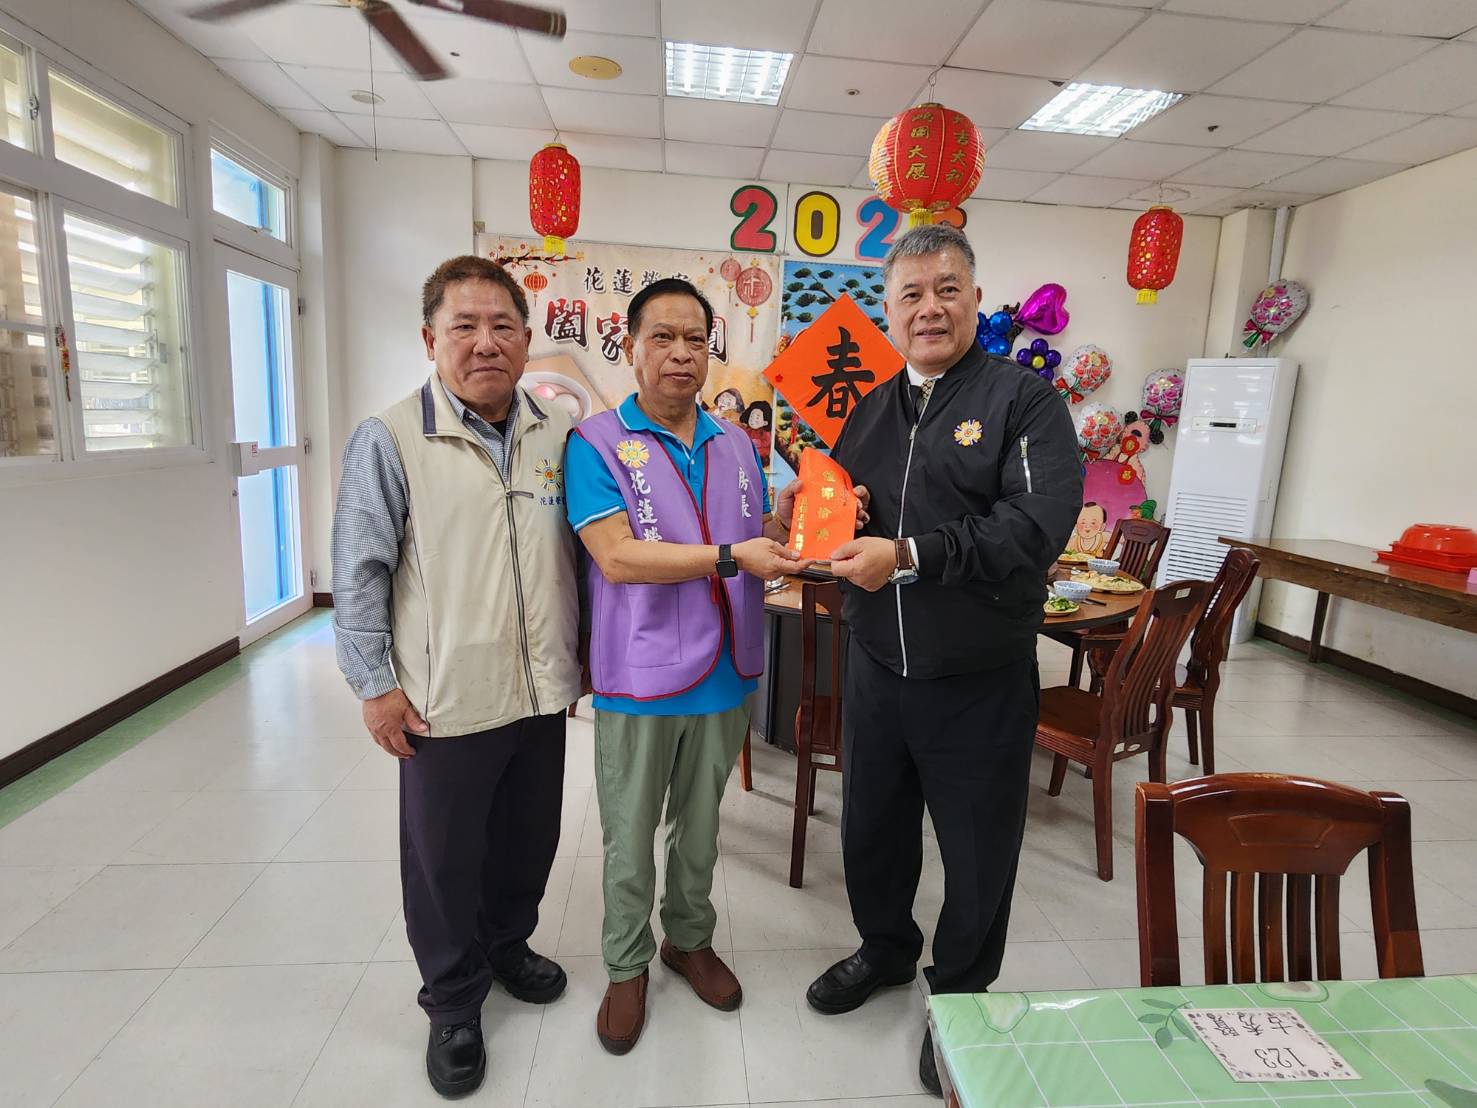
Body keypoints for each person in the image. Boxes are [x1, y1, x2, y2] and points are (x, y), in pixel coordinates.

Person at [796, 225, 1082, 1096]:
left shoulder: (1024, 401)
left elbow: (1034, 525)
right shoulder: (867, 409)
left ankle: (958, 995)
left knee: (977, 849)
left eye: (946, 289)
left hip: (978, 679)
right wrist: (824, 515)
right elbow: (849, 509)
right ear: (888, 310)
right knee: (871, 830)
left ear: (974, 299)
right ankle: (884, 949)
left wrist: (909, 554)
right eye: (911, 294)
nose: (929, 308)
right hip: (876, 665)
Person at [331, 255, 581, 1099]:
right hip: (444, 698)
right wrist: (374, 686)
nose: (485, 343)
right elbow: (359, 570)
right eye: (463, 326)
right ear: (429, 339)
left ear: (525, 339)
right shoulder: (392, 436)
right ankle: (451, 1002)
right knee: (442, 861)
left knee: (527, 839)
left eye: (502, 325)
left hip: (541, 690)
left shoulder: (558, 433)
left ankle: (507, 946)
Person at [565, 278, 812, 1055]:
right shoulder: (596, 442)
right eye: (662, 338)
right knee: (629, 835)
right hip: (639, 675)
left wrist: (793, 513)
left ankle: (688, 939)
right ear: (630, 347)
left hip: (726, 670)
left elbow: (753, 526)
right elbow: (616, 556)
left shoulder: (735, 441)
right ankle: (625, 964)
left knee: (700, 829)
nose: (680, 353)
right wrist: (730, 555)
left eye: (695, 339)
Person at [741, 398, 773, 465]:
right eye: (751, 416)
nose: (753, 420)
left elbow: (767, 442)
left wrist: (758, 442)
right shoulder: (748, 430)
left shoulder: (765, 432)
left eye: (757, 418)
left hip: (761, 451)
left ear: (765, 422)